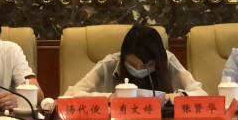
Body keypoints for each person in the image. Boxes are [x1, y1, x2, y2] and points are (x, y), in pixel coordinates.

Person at [64, 24, 205, 98]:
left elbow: (201, 94)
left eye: (146, 65)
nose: (138, 70)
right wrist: (110, 98)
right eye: (131, 64)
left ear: (157, 59)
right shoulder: (111, 63)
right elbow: (70, 95)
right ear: (123, 57)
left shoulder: (167, 61)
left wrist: (176, 97)